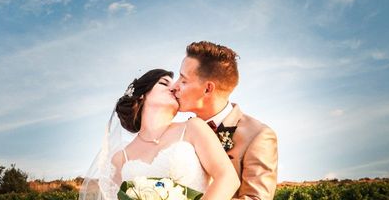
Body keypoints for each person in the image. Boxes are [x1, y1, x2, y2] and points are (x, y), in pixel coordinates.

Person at [109, 69, 240, 200]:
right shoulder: (120, 159)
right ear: (142, 94)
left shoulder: (193, 128)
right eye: (164, 83)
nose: (174, 88)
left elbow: (228, 178)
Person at [171, 42, 278, 200]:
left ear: (208, 89)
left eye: (183, 80)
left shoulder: (259, 135)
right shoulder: (177, 132)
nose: (174, 86)